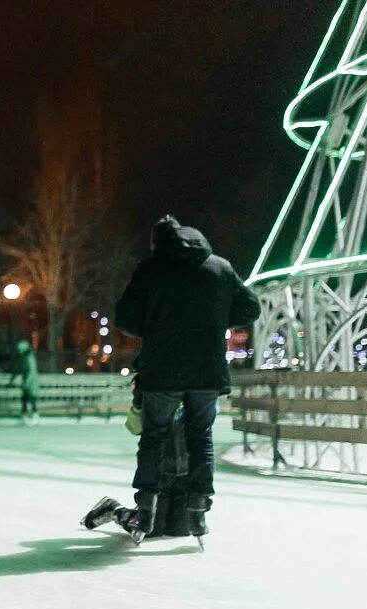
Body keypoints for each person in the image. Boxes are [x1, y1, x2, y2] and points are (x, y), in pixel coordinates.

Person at [113, 215, 260, 544]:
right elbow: (250, 307)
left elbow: (124, 317)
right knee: (201, 438)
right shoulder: (219, 267)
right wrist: (216, 320)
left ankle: (147, 507)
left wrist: (153, 328)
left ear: (159, 244)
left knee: (153, 437)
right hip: (206, 369)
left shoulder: (151, 270)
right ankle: (197, 509)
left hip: (162, 367)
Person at [81, 364, 191, 539]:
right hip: (160, 473)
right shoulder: (152, 389)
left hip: (185, 473)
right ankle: (113, 509)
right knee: (151, 530)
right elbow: (134, 427)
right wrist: (138, 404)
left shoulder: (194, 390)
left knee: (180, 531)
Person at [10, 340, 39, 421]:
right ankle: (24, 413)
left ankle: (34, 413)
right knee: (25, 397)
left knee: (30, 396)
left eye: (20, 349)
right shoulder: (25, 357)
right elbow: (20, 368)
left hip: (31, 380)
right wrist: (13, 379)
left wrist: (27, 382)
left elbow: (30, 370)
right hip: (26, 379)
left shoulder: (29, 357)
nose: (19, 351)